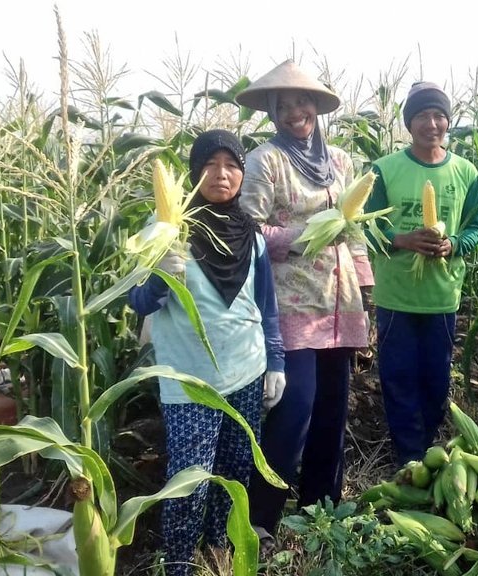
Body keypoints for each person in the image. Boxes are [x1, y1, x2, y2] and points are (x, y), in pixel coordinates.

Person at [128, 130, 285, 576]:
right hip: (190, 381)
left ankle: (217, 553)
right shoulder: (166, 231)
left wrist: (276, 362)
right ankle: (177, 563)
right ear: (195, 173)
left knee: (234, 475)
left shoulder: (251, 236)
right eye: (210, 165)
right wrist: (160, 277)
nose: (222, 174)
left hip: (248, 372)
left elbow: (266, 306)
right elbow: (137, 302)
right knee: (188, 482)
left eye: (232, 164)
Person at [234, 60, 374, 547]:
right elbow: (245, 228)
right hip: (291, 300)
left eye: (304, 102)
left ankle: (321, 511)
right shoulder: (264, 160)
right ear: (272, 112)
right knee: (295, 410)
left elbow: (352, 225)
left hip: (341, 301)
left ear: (317, 108)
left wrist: (364, 282)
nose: (297, 111)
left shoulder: (340, 161)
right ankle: (260, 521)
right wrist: (306, 235)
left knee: (334, 410)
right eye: (285, 104)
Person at [364, 81, 478, 465]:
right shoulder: (384, 170)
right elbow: (367, 226)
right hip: (396, 294)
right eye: (421, 116)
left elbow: (475, 227)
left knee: (435, 380)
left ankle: (429, 447)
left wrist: (453, 246)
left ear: (448, 121)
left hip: (441, 295)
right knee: (398, 377)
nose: (431, 124)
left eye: (439, 116)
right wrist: (401, 239)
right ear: (408, 123)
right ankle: (408, 456)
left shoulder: (465, 171)